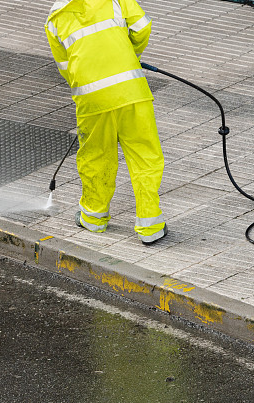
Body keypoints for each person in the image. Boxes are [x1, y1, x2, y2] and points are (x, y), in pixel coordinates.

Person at [45, 0, 167, 244]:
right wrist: (131, 55)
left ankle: (93, 217)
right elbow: (142, 27)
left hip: (92, 98)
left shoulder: (55, 19)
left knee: (96, 156)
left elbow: (66, 67)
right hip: (131, 91)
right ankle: (151, 226)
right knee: (145, 156)